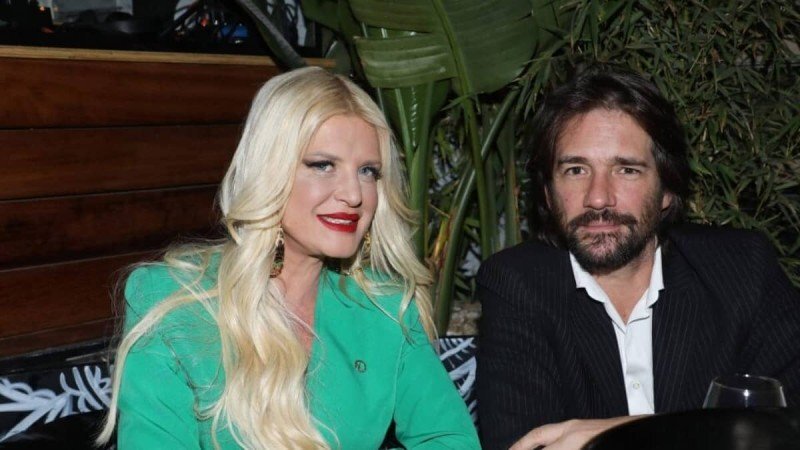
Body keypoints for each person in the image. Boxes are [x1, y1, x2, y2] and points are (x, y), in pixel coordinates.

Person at [97, 66, 480, 449]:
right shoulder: (173, 299)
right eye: (322, 165)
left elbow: (450, 440)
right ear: (269, 169)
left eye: (368, 171)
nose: (353, 194)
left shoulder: (387, 308)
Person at [476, 64, 800, 450]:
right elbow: (523, 444)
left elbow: (787, 427)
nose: (598, 197)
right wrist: (709, 431)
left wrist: (615, 434)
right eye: (576, 170)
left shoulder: (741, 270)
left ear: (666, 190)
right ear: (548, 193)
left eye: (626, 170)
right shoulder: (517, 285)